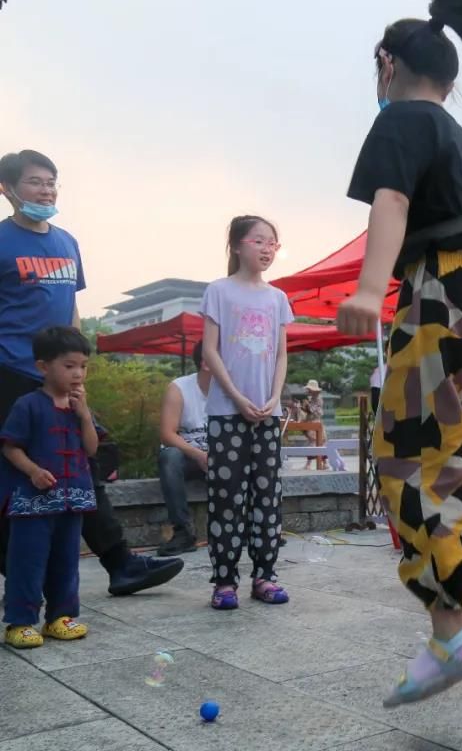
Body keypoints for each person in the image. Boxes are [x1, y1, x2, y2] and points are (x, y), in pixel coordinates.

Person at [335, 0, 462, 705]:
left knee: (408, 452)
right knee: (456, 455)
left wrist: (372, 288)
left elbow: (391, 204)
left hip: (438, 290)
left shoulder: (403, 117)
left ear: (387, 63)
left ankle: (451, 628)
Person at [0, 149, 183, 597]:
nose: (46, 190)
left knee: (81, 466)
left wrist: (78, 365)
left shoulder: (67, 242)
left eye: (51, 181)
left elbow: (71, 309)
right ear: (7, 189)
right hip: (11, 373)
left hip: (59, 378)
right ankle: (22, 575)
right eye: (35, 182)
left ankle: (121, 564)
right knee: (17, 474)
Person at [200, 215, 293, 610]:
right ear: (237, 246)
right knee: (226, 497)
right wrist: (237, 397)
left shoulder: (277, 298)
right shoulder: (219, 291)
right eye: (259, 241)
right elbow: (210, 352)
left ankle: (265, 576)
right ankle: (224, 581)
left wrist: (274, 398)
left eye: (273, 243)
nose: (267, 248)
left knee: (267, 497)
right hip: (227, 413)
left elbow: (282, 354)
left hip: (267, 414)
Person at [1, 327, 99, 649]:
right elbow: (10, 447)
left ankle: (60, 617)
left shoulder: (79, 406)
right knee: (27, 561)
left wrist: (84, 416)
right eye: (69, 366)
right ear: (44, 367)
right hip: (34, 503)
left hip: (74, 500)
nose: (78, 373)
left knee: (67, 560)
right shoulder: (28, 405)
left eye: (83, 366)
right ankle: (20, 621)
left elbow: (92, 448)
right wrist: (33, 471)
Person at [156, 340, 210, 556]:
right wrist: (198, 455)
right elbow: (167, 434)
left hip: (221, 457)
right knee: (169, 456)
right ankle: (182, 531)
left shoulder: (230, 389)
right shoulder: (179, 388)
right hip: (188, 457)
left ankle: (250, 526)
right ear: (206, 363)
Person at [300, 379, 327, 470]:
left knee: (317, 443)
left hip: (316, 422)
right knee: (314, 443)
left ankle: (321, 463)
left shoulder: (319, 399)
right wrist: (303, 407)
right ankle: (315, 463)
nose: (309, 391)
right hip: (311, 421)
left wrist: (308, 405)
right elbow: (308, 411)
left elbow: (314, 411)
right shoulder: (311, 399)